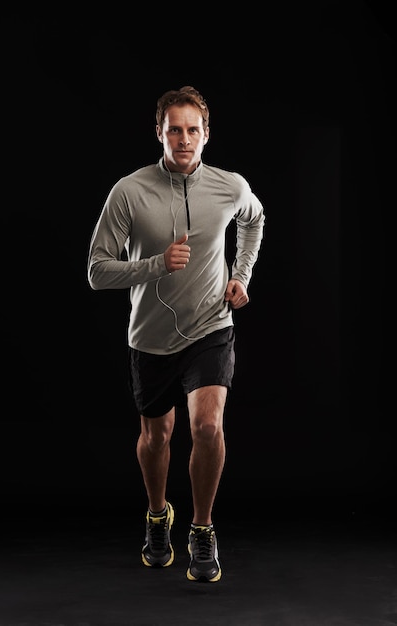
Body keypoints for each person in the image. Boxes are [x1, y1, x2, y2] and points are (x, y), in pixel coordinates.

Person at [87, 85, 265, 582]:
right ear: (159, 134)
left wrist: (241, 275)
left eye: (192, 130)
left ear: (206, 135)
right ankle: (158, 515)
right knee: (156, 437)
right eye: (174, 130)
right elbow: (98, 271)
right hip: (150, 337)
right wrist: (155, 265)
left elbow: (254, 220)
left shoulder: (230, 186)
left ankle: (202, 530)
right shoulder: (129, 191)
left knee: (207, 427)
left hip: (211, 326)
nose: (183, 139)